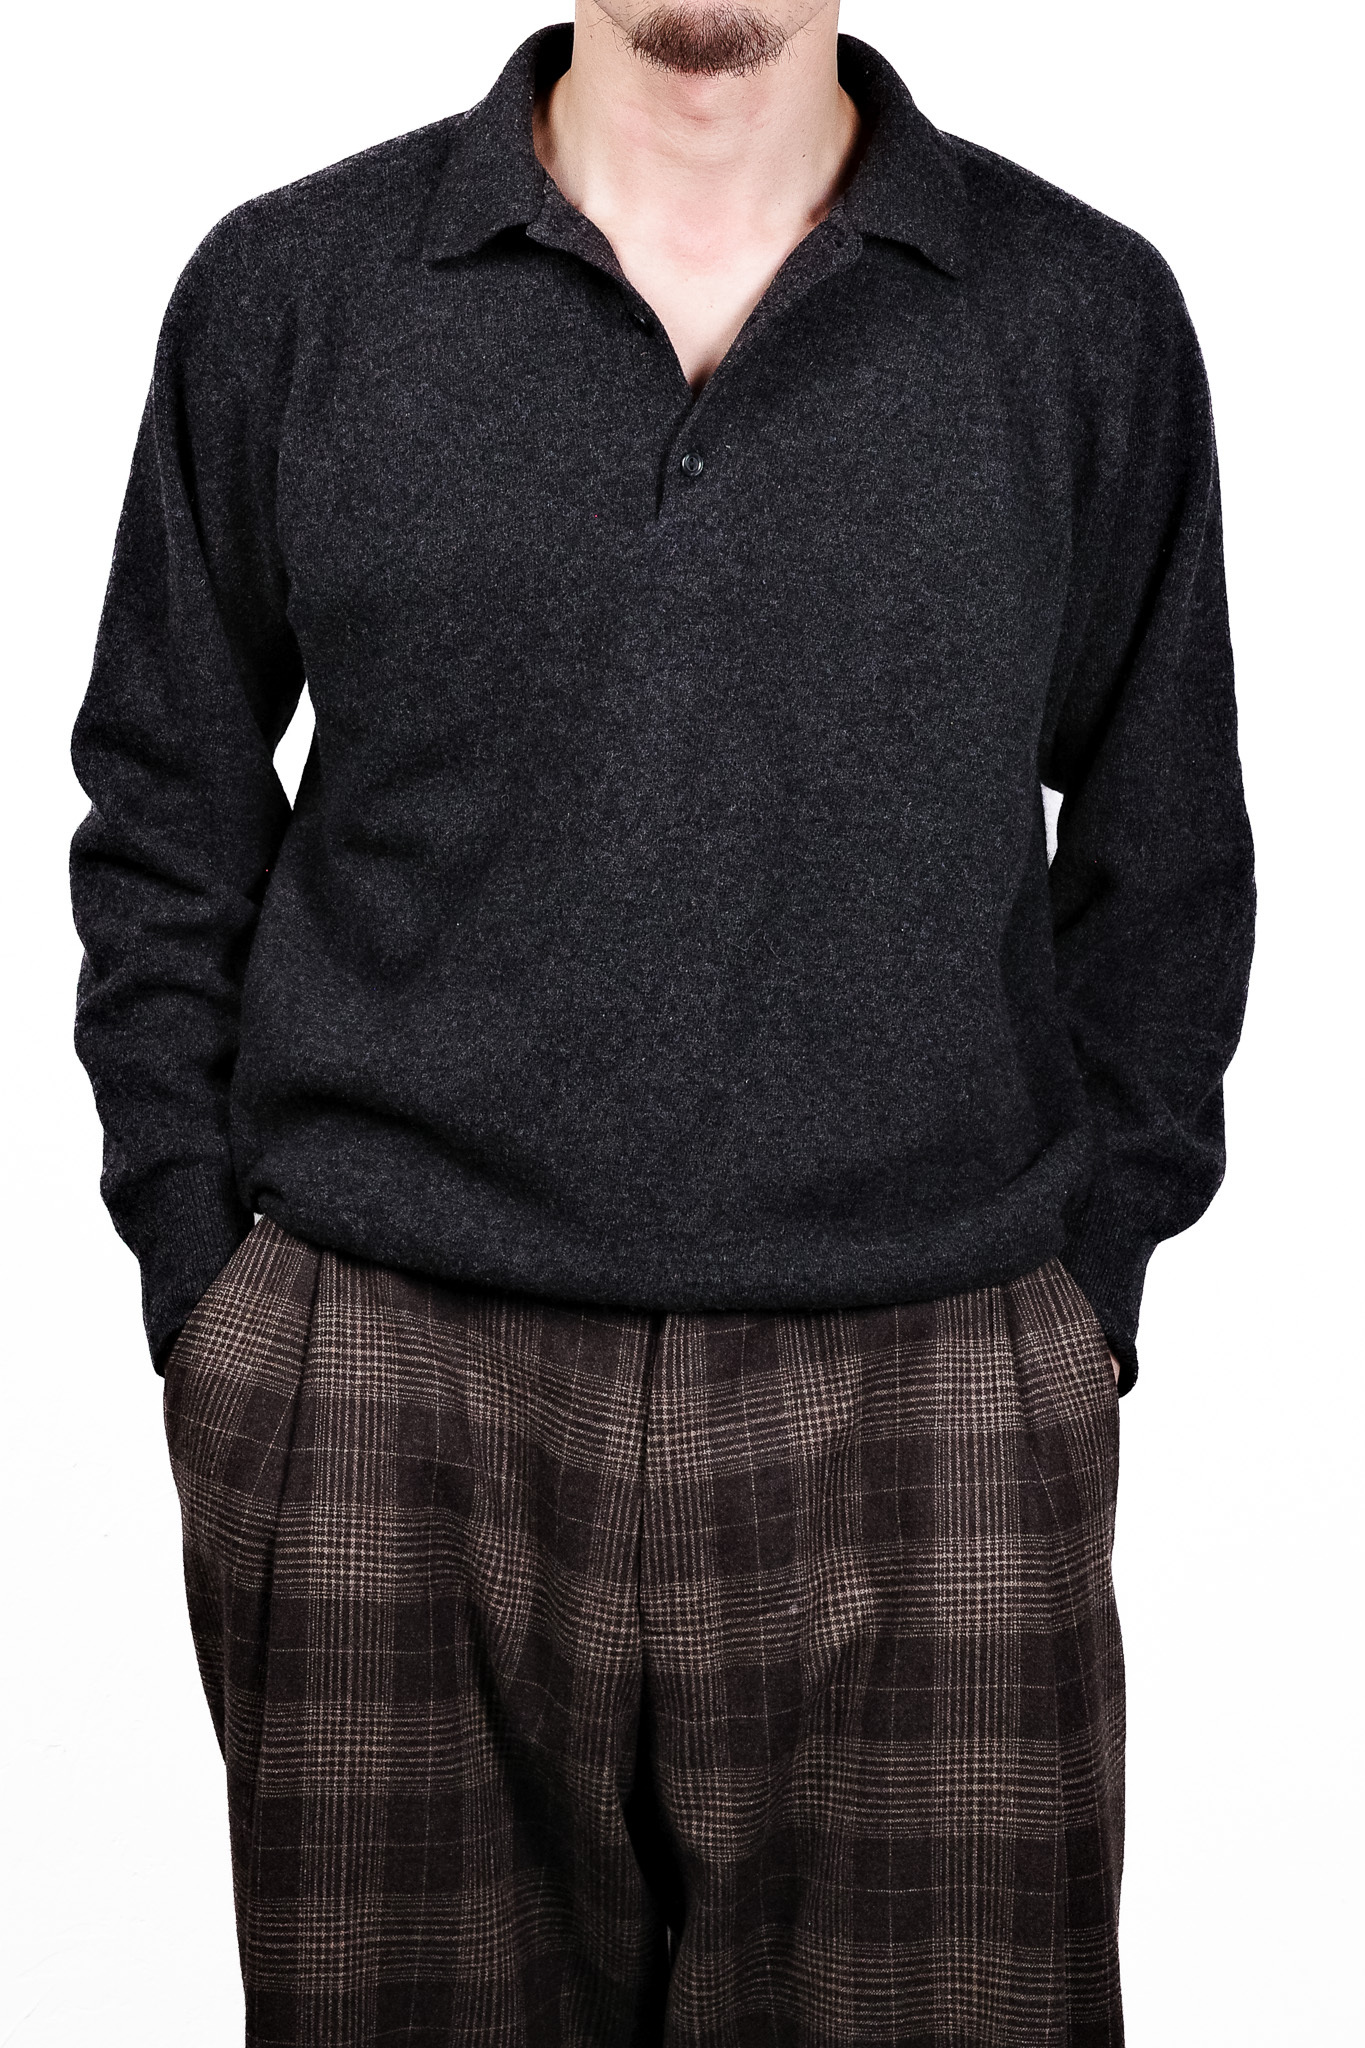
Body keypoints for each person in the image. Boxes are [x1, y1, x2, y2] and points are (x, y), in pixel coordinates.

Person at [68, 3, 1255, 2040]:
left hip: (933, 1384)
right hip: (382, 1386)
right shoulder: (293, 291)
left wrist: (1083, 1300)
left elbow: (1165, 849)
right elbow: (167, 803)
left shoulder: (1076, 315)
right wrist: (213, 1300)